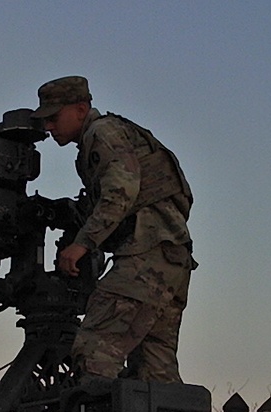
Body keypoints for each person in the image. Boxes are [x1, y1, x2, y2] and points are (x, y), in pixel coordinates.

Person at [31, 76, 196, 383]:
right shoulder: (108, 137)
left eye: (54, 118)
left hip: (144, 256)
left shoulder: (102, 133)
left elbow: (121, 192)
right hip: (170, 259)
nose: (48, 127)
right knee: (154, 374)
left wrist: (83, 243)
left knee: (95, 348)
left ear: (81, 109)